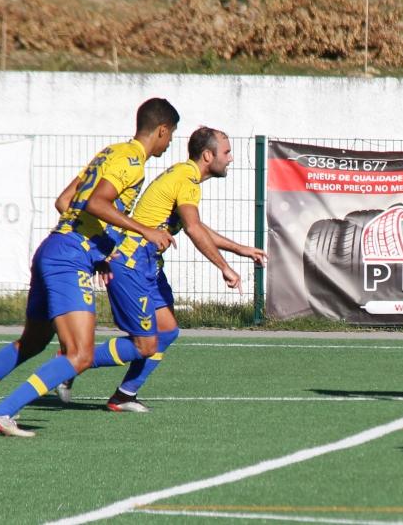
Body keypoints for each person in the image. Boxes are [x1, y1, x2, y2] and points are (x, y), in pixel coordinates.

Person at [0, 98, 179, 437]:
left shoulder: (109, 153)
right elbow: (96, 202)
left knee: (31, 343)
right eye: (171, 135)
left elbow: (65, 201)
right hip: (69, 259)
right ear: (162, 130)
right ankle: (2, 413)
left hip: (52, 249)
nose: (170, 143)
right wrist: (144, 230)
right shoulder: (133, 162)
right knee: (80, 355)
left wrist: (99, 249)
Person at [61, 126, 266, 413]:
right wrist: (225, 267)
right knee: (144, 343)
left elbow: (196, 226)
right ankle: (71, 361)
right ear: (208, 156)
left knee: (167, 332)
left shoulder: (184, 175)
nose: (230, 158)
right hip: (130, 264)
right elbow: (193, 229)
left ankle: (124, 396)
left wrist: (240, 249)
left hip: (148, 266)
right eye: (227, 152)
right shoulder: (187, 178)